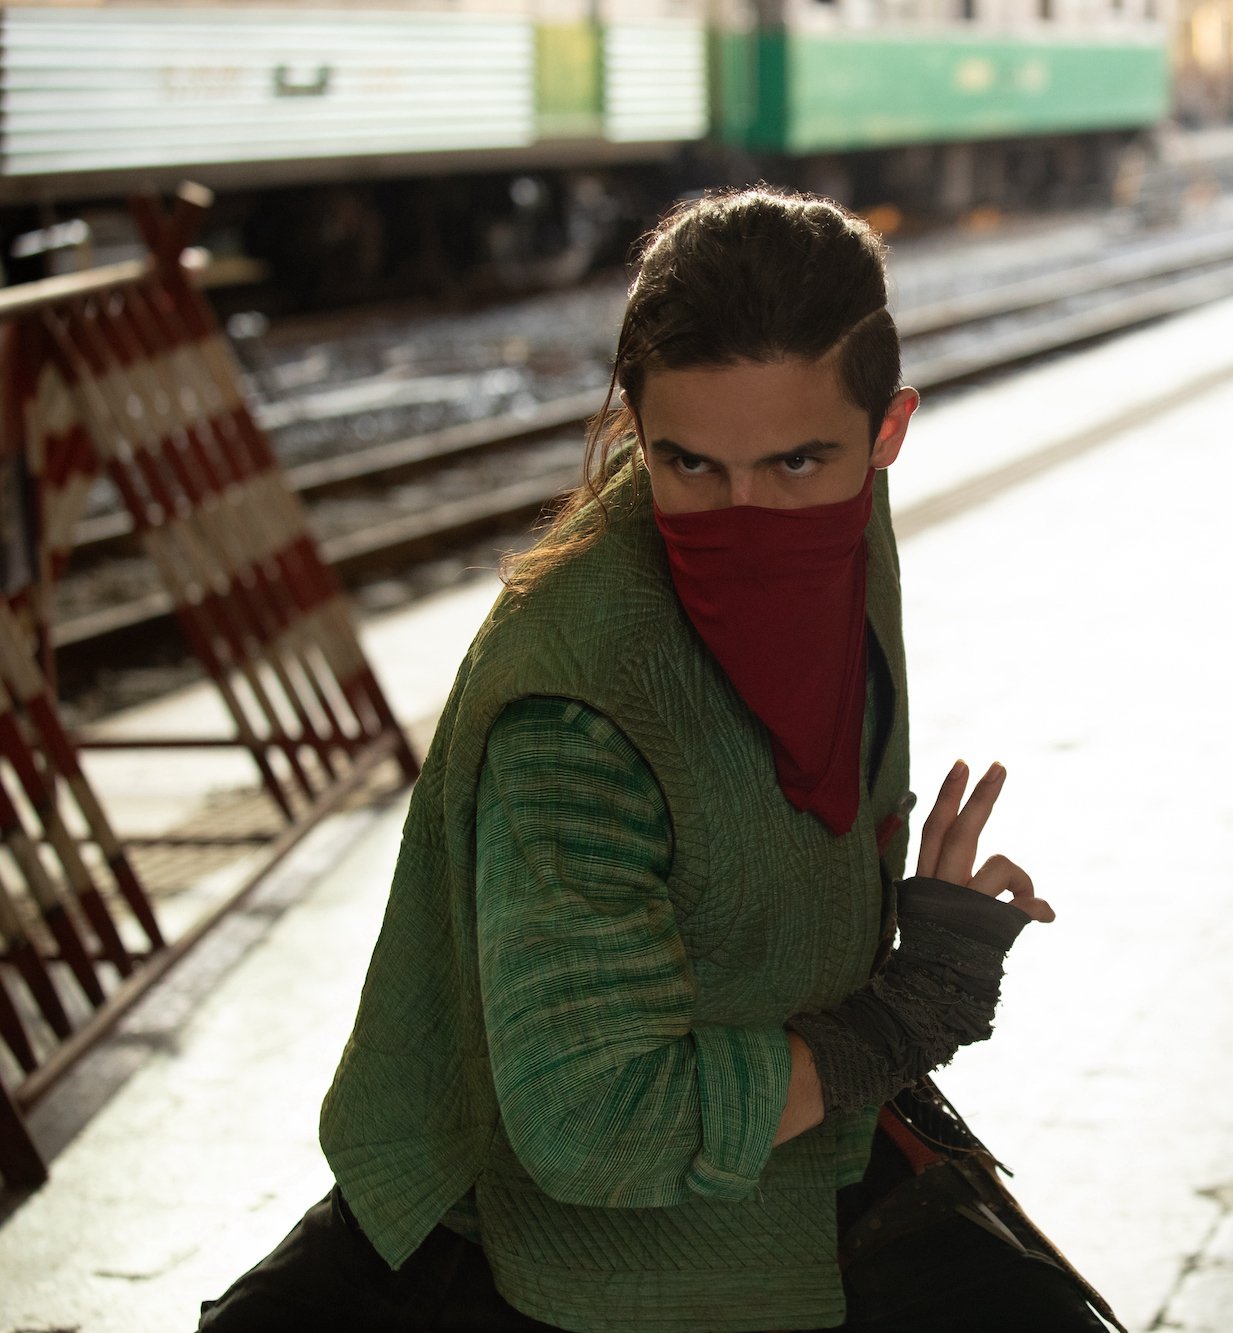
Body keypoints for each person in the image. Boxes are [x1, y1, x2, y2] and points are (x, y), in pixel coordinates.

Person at [199, 188, 1110, 1332]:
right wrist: (909, 1009)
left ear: (888, 434)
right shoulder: (578, 711)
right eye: (688, 467)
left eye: (790, 465)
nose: (739, 518)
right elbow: (596, 1122)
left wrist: (901, 918)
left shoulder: (841, 533)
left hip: (789, 1159)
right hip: (595, 1262)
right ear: (637, 431)